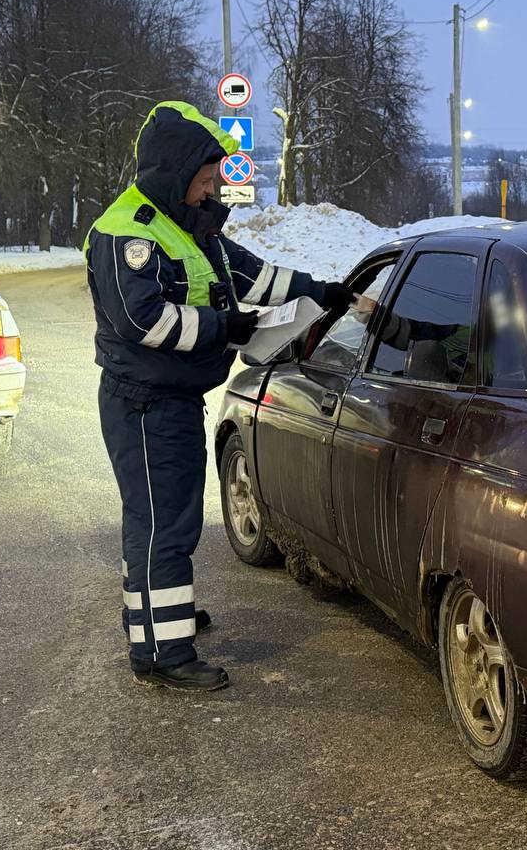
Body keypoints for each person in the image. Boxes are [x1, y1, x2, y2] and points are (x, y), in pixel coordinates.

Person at [84, 100, 354, 692]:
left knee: (156, 520)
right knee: (164, 526)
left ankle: (155, 618)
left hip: (168, 401)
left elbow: (254, 275)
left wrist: (327, 291)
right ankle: (165, 655)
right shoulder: (127, 233)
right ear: (175, 174)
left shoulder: (187, 225)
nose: (211, 190)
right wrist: (226, 328)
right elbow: (143, 321)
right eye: (204, 179)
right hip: (145, 404)